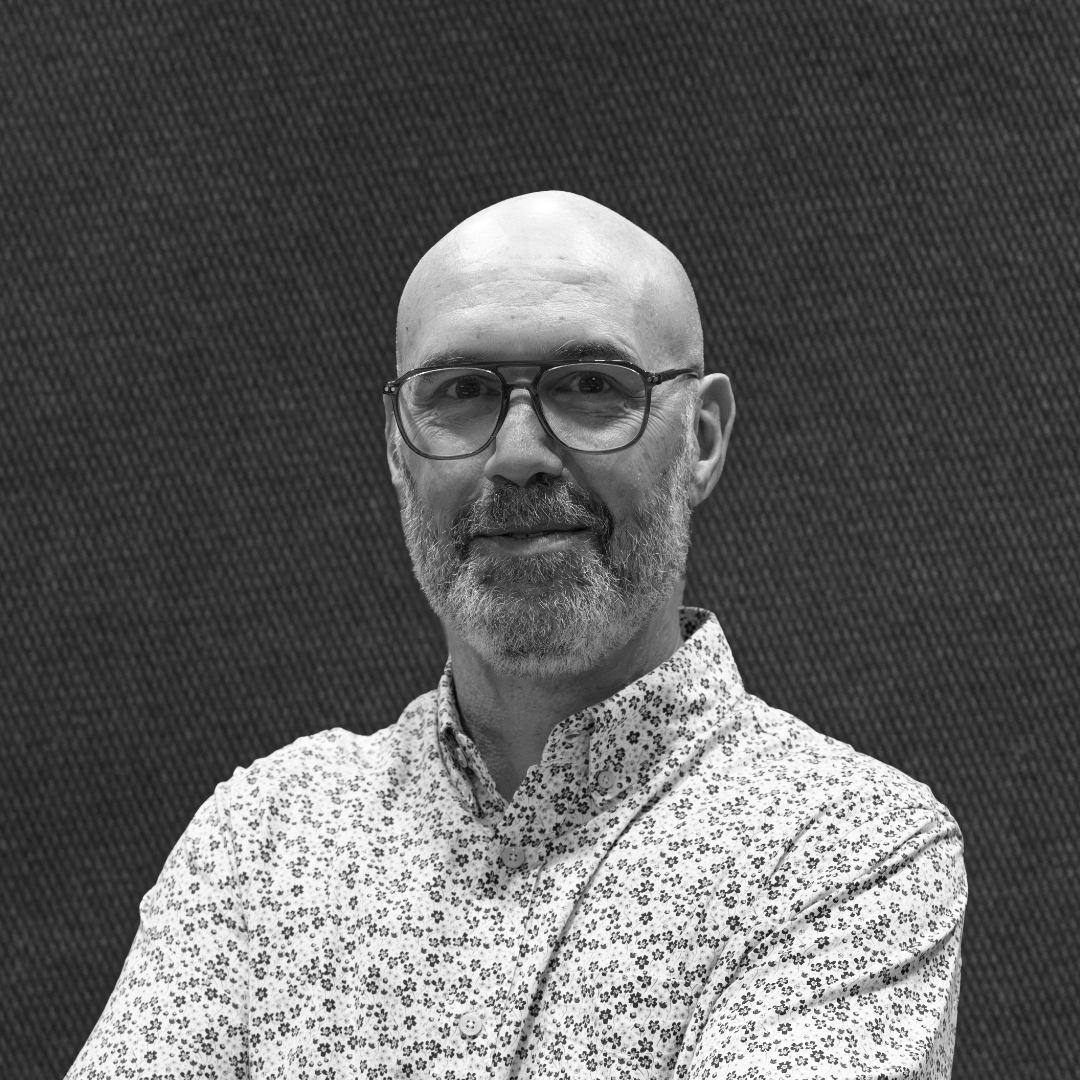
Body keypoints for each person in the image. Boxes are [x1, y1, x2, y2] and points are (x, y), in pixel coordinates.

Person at [68, 191, 966, 1079]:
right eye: (461, 392)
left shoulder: (847, 849)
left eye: (591, 387)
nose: (518, 454)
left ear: (701, 437)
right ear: (397, 449)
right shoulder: (263, 844)